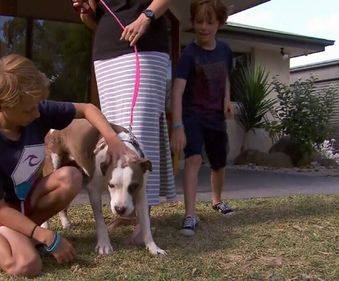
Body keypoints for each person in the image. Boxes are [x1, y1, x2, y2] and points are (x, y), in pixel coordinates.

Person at [0, 54, 136, 277]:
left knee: (71, 176)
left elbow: (88, 108)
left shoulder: (35, 109)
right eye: (28, 110)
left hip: (26, 201)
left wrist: (113, 140)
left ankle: (23, 236)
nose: (36, 114)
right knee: (26, 265)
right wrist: (46, 236)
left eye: (36, 107)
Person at [72, 0, 176, 233]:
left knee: (140, 128)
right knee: (113, 131)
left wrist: (146, 17)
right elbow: (92, 21)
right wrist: (85, 10)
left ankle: (143, 218)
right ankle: (124, 207)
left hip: (144, 44)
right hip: (106, 52)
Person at [170, 0, 234, 237]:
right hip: (192, 115)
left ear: (219, 23)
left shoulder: (225, 50)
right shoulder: (189, 54)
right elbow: (176, 91)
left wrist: (227, 100)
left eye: (210, 21)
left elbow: (226, 76)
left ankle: (217, 201)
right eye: (199, 21)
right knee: (194, 160)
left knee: (219, 163)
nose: (204, 27)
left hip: (216, 117)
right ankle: (190, 214)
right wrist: (177, 126)